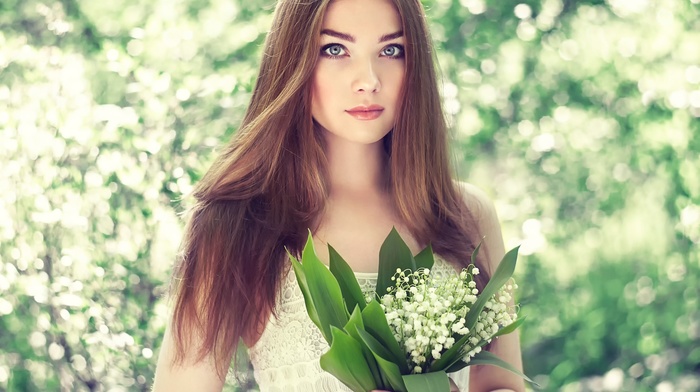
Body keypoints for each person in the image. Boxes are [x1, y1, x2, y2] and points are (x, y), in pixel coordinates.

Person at [153, 0, 525, 391]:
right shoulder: (235, 224)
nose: (368, 79)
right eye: (335, 49)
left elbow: (505, 383)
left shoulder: (464, 214)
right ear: (294, 58)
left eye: (391, 50)